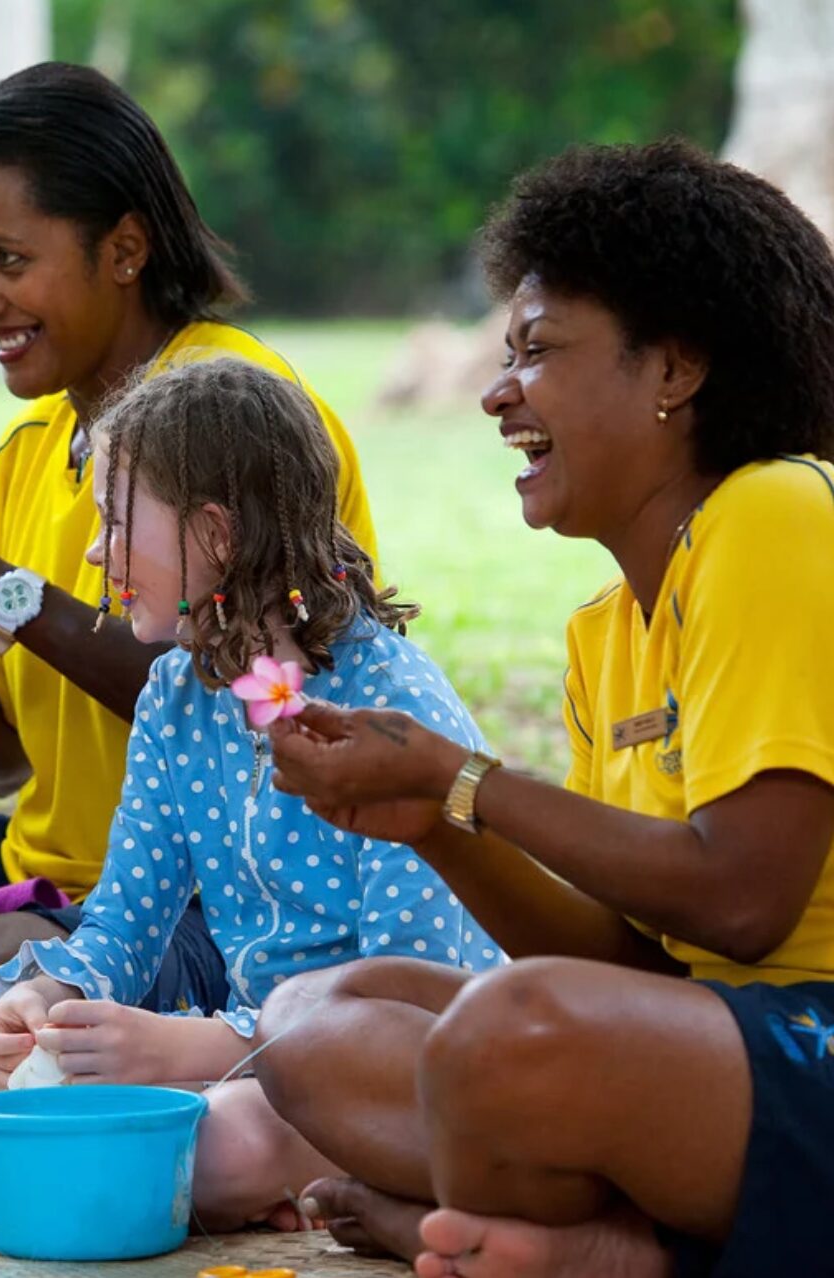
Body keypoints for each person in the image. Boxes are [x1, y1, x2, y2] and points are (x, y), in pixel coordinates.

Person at [250, 139, 834, 1278]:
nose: (494, 391)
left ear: (673, 369)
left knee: (505, 1036)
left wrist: (469, 782)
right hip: (715, 1046)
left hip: (810, 1033)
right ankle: (621, 1231)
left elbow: (745, 899)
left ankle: (638, 1250)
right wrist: (435, 821)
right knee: (314, 1019)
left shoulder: (778, 513)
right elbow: (641, 964)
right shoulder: (602, 632)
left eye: (538, 350)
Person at [0, 358, 500, 1228]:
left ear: (217, 534)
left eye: (116, 522)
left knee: (224, 1145)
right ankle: (105, 1155)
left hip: (394, 1073)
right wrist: (53, 999)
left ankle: (19, 1149)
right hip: (233, 1062)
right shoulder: (175, 695)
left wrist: (183, 1046)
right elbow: (125, 918)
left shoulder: (392, 707)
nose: (92, 551)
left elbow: (406, 996)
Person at [0, 61, 382, 982]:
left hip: (213, 901)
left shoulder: (237, 407)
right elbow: (3, 761)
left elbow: (260, 704)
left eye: (9, 260)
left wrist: (0, 591)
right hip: (43, 879)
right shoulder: (26, 448)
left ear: (125, 250)